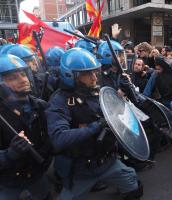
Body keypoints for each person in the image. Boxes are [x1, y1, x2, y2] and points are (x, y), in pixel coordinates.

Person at [46, 48, 143, 200]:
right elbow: (58, 138)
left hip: (108, 161)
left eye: (94, 72)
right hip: (81, 169)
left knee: (133, 186)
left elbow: (120, 112)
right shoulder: (59, 102)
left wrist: (125, 89)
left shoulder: (98, 92)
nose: (94, 78)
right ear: (72, 76)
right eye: (87, 74)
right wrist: (96, 126)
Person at [0, 54, 52, 199]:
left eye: (23, 74)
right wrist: (10, 154)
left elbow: (54, 137)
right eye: (12, 78)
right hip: (9, 184)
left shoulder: (41, 106)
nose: (23, 80)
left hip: (38, 177)